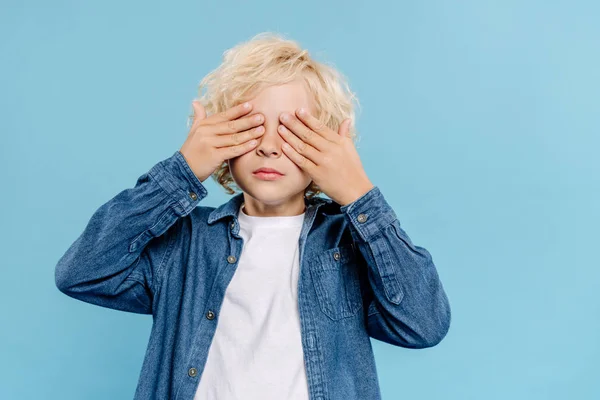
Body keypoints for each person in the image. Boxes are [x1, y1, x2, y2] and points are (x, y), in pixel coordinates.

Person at [54, 31, 451, 400]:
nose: (270, 148)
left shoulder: (347, 244)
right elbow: (81, 271)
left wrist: (360, 196)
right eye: (252, 127)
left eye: (294, 130)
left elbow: (423, 324)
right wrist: (181, 171)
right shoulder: (185, 245)